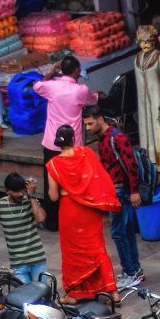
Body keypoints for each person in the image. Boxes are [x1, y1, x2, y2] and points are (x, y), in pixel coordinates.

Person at [45, 124, 121, 302]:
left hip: (69, 211)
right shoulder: (86, 153)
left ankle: (74, 294)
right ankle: (113, 292)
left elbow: (54, 197)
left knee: (73, 253)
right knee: (97, 249)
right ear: (73, 139)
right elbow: (99, 179)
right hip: (90, 210)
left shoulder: (54, 164)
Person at [32, 57, 97, 231]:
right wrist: (98, 95)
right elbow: (92, 100)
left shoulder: (51, 86)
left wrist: (53, 71)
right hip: (71, 147)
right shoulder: (80, 90)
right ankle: (74, 220)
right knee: (73, 183)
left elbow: (36, 85)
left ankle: (53, 222)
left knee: (50, 183)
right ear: (76, 71)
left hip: (52, 144)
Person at [83, 107, 144, 282]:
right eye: (86, 124)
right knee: (125, 231)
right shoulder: (103, 138)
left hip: (121, 190)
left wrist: (134, 191)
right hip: (113, 190)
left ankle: (130, 272)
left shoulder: (117, 137)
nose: (88, 128)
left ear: (100, 119)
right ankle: (134, 270)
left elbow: (131, 165)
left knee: (118, 232)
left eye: (90, 123)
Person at [0, 173, 49, 285]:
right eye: (17, 191)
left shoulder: (30, 201)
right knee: (23, 299)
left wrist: (32, 195)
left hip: (38, 261)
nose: (21, 194)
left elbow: (40, 219)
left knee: (42, 296)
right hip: (18, 264)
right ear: (7, 191)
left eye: (23, 190)